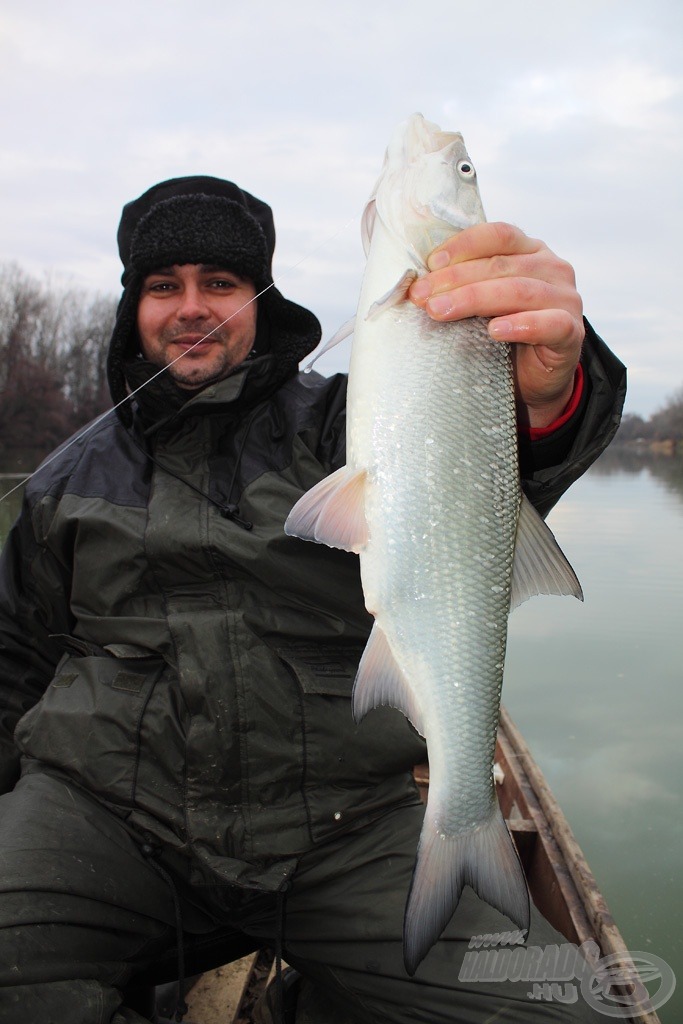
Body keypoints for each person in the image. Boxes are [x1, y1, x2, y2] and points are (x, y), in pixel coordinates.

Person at [0, 175, 626, 1024]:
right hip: (108, 821)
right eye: (162, 286)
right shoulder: (62, 482)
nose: (190, 307)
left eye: (218, 283)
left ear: (260, 296)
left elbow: (487, 466)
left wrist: (553, 392)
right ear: (132, 305)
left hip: (341, 828)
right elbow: (17, 663)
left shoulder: (349, 422)